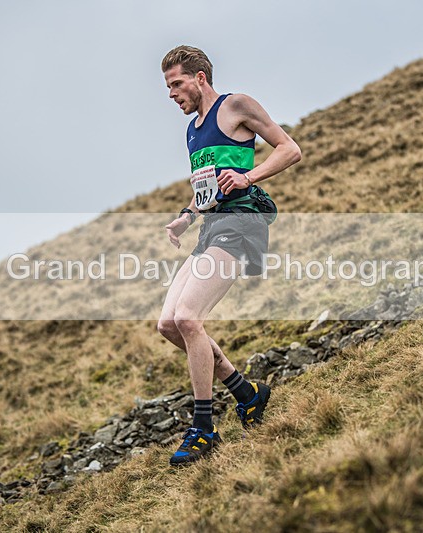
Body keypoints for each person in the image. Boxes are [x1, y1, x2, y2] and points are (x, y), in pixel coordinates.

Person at [158, 45, 301, 465]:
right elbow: (208, 189)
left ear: (200, 77)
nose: (171, 94)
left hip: (242, 224)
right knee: (168, 324)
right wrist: (186, 215)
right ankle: (247, 393)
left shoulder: (235, 105)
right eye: (167, 86)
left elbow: (289, 148)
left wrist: (249, 176)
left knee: (189, 318)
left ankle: (203, 429)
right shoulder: (192, 130)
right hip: (212, 227)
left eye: (176, 83)